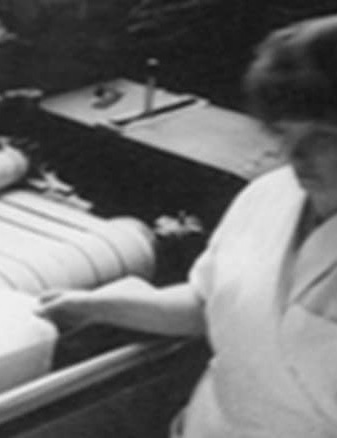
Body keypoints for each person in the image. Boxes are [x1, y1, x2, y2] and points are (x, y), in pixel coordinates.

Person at [37, 14, 337, 438]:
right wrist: (96, 305)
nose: (297, 156)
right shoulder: (269, 197)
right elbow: (206, 305)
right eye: (286, 132)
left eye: (325, 138)